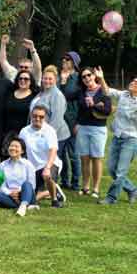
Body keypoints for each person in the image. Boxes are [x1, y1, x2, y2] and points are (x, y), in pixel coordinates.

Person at [99, 74, 137, 204]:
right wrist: (102, 77)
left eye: (135, 82)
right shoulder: (124, 94)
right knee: (111, 169)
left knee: (121, 171)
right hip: (117, 137)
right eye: (133, 80)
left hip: (131, 139)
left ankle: (111, 198)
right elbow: (107, 91)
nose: (132, 82)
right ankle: (132, 189)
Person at [75, 66, 112, 198]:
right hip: (83, 128)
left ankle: (95, 189)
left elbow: (107, 110)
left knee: (96, 158)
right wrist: (77, 124)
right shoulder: (82, 91)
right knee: (84, 158)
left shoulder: (103, 90)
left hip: (98, 128)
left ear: (94, 75)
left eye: (89, 75)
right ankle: (85, 187)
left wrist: (95, 104)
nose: (86, 78)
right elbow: (80, 110)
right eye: (83, 77)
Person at [19, 105, 66, 208]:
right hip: (33, 168)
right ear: (31, 116)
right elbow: (21, 151)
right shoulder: (24, 131)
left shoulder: (50, 131)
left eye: (41, 117)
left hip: (49, 163)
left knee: (47, 176)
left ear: (45, 118)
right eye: (35, 116)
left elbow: (53, 150)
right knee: (29, 199)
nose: (37, 119)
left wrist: (48, 168)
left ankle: (54, 200)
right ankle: (50, 192)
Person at [0, 137, 37, 217]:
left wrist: (18, 191)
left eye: (16, 146)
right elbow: (1, 185)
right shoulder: (3, 165)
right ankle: (22, 206)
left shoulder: (28, 164)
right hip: (10, 195)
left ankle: (23, 205)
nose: (13, 148)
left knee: (27, 184)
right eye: (11, 146)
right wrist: (10, 193)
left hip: (25, 193)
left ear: (22, 151)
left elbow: (32, 185)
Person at [30, 65, 70, 150]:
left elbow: (57, 120)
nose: (47, 81)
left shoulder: (57, 95)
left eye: (50, 79)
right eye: (45, 78)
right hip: (39, 133)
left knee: (53, 162)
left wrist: (46, 136)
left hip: (55, 137)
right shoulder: (42, 92)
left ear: (56, 80)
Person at [58, 51, 82, 191]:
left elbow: (76, 99)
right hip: (60, 120)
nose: (64, 61)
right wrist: (61, 80)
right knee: (60, 153)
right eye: (63, 58)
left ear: (74, 63)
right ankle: (64, 181)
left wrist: (79, 122)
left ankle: (76, 183)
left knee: (73, 154)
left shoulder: (78, 78)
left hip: (73, 120)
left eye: (68, 59)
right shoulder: (58, 76)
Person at [2, 71, 38, 154]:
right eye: (20, 78)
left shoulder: (35, 97)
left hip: (25, 134)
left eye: (26, 79)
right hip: (8, 133)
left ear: (31, 81)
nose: (23, 80)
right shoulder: (9, 94)